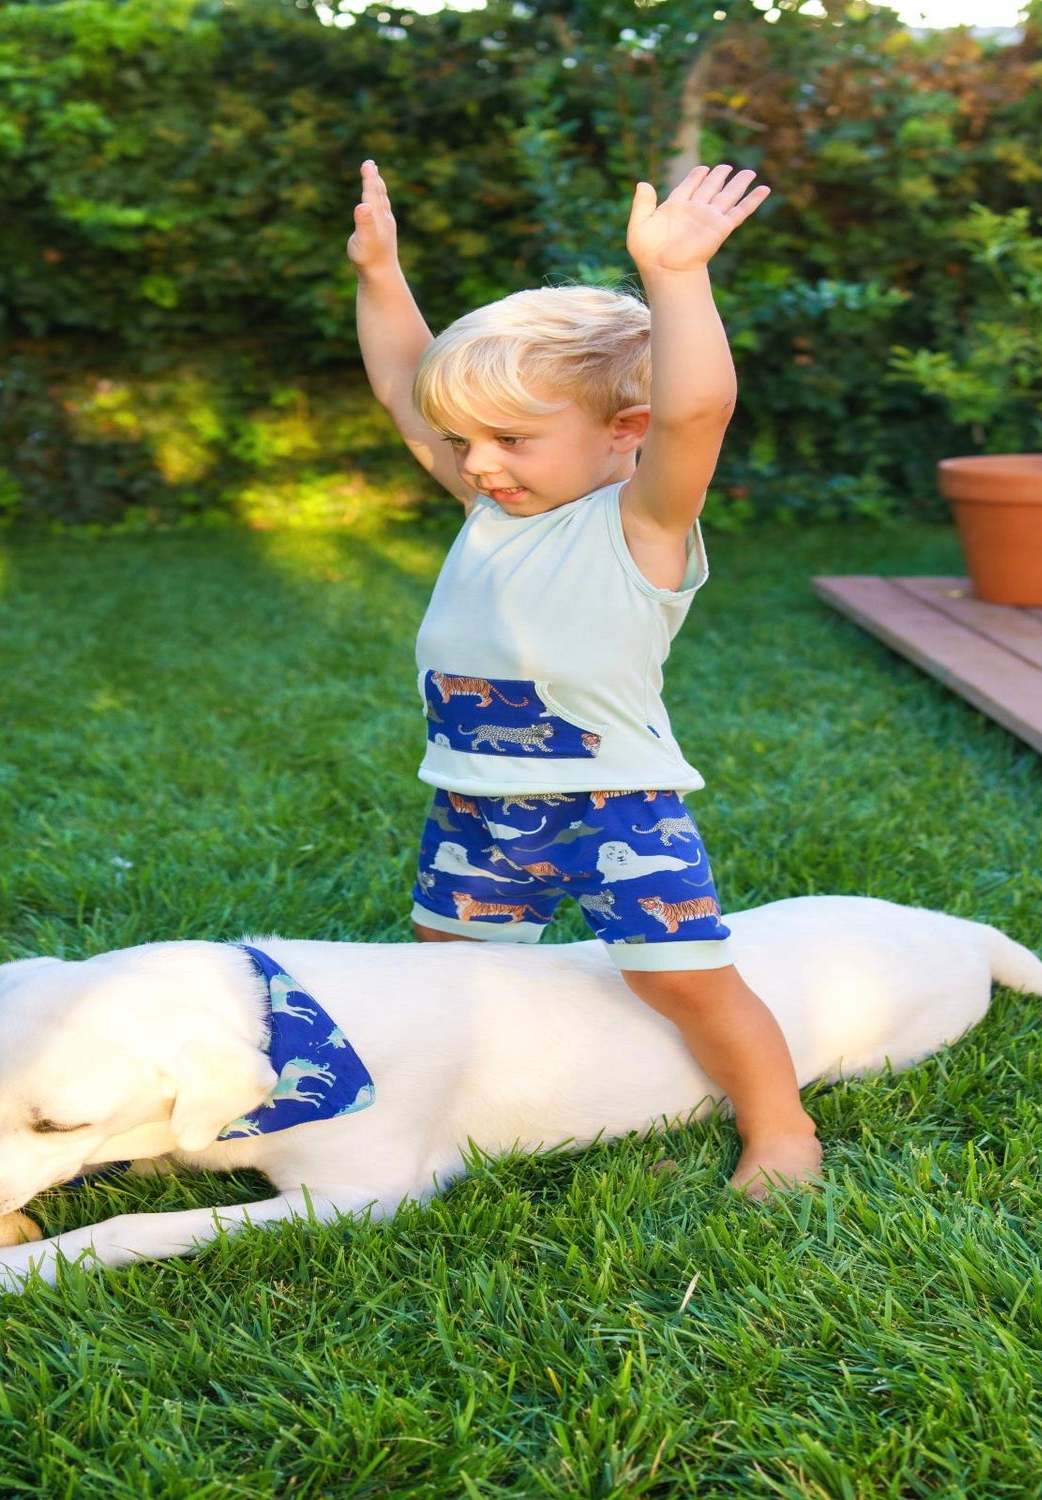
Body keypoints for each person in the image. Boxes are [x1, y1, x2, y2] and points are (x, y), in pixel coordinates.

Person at [347, 158, 821, 1197]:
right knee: (444, 981)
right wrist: (382, 273)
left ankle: (781, 1129)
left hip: (616, 808)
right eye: (466, 440)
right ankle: (463, 1106)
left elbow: (697, 412)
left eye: (509, 440)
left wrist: (677, 278)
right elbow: (401, 387)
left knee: (683, 978)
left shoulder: (640, 527)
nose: (474, 463)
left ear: (624, 433)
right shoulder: (490, 505)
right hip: (474, 806)